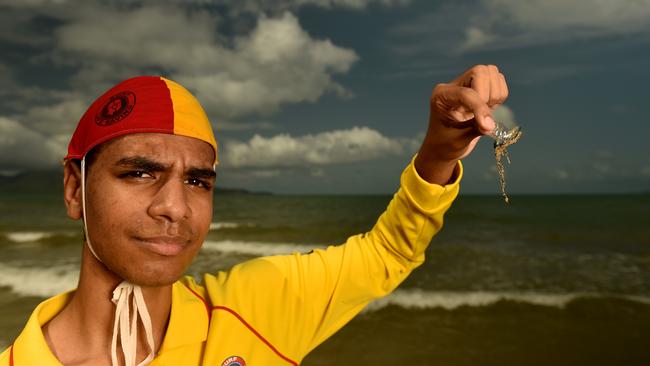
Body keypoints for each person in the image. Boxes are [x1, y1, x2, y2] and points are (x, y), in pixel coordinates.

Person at [0, 64, 508, 366]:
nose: (175, 207)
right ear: (74, 189)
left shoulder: (255, 307)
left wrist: (440, 154)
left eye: (198, 180)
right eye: (138, 173)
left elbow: (387, 252)